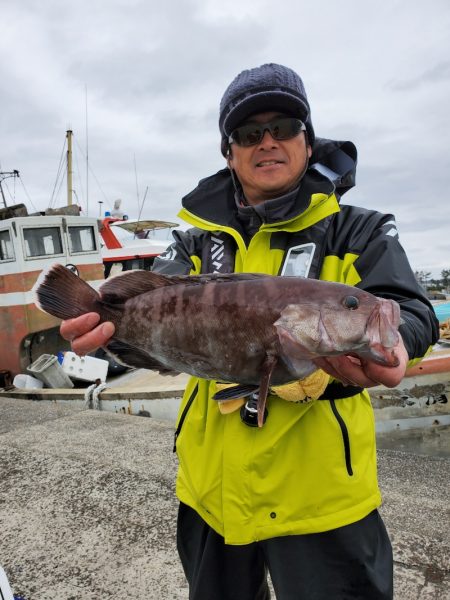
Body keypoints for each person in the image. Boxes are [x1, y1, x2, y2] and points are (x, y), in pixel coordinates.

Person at [61, 64, 439, 599]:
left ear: (308, 141)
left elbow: (408, 309)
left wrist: (399, 345)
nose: (267, 142)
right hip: (209, 492)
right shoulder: (192, 244)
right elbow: (154, 312)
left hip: (322, 497)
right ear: (228, 151)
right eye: (247, 133)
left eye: (283, 127)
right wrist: (106, 327)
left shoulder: (362, 229)